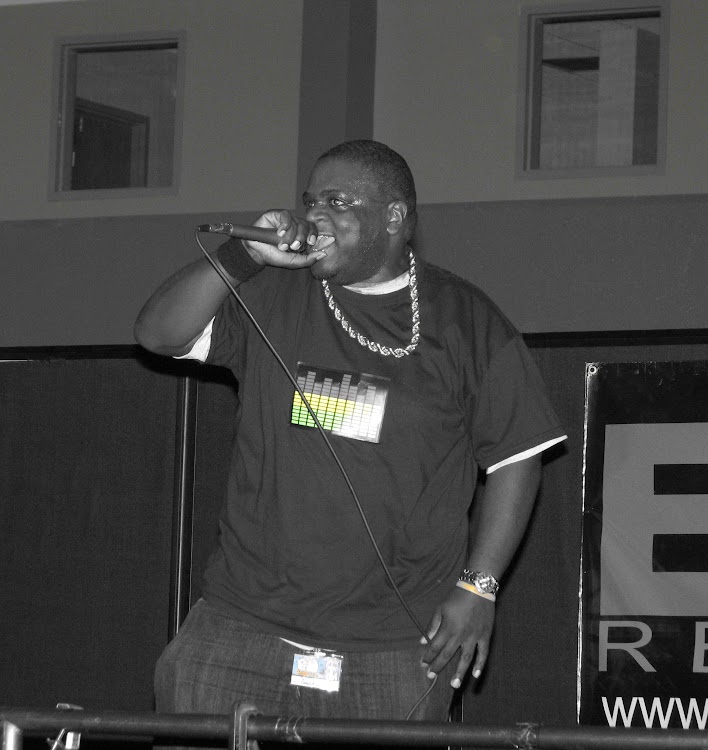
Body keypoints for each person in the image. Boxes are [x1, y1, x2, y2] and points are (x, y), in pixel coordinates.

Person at [135, 140, 565, 724]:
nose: (315, 216)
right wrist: (242, 256)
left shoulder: (467, 320)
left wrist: (479, 587)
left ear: (394, 217)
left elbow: (519, 457)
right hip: (241, 629)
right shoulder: (272, 293)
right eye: (310, 201)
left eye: (337, 202)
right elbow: (157, 335)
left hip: (391, 648)